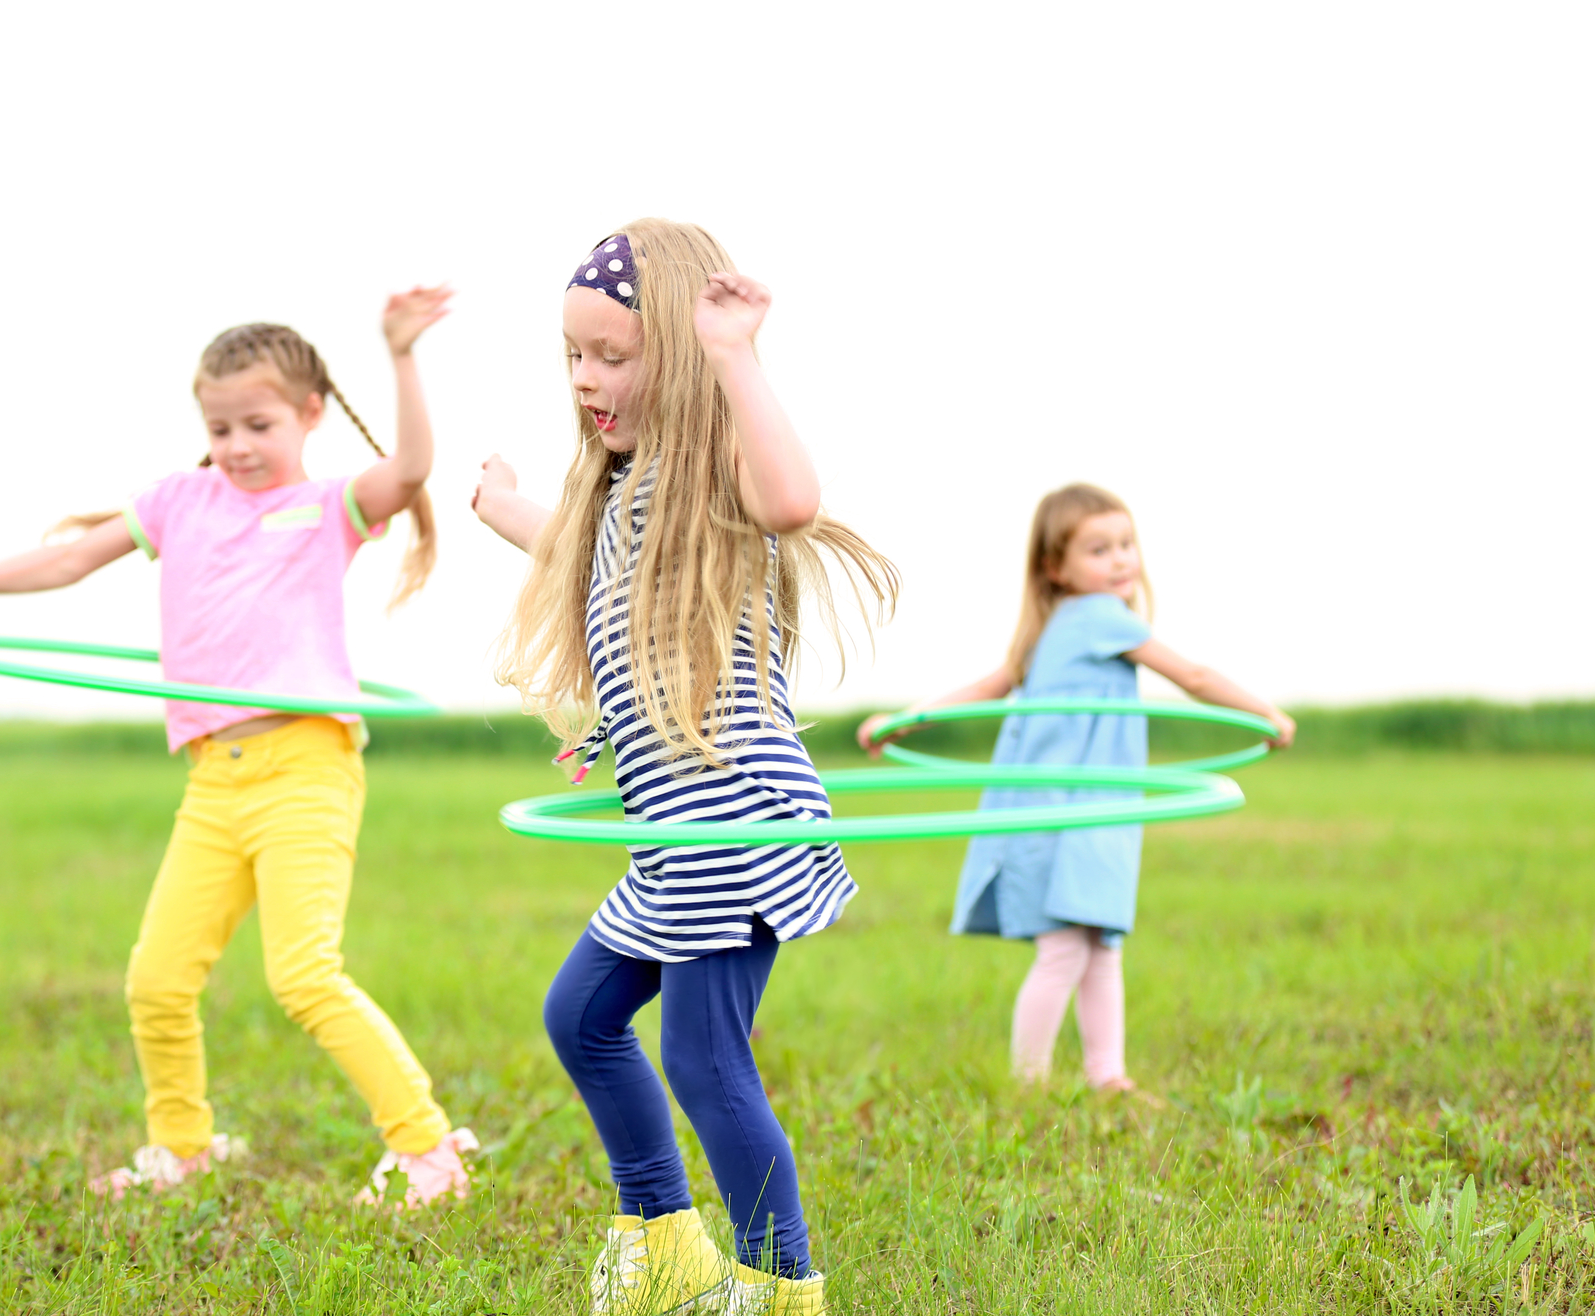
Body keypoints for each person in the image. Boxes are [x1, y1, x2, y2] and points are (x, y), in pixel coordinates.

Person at [0, 293, 477, 1207]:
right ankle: (183, 1145)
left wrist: (400, 354)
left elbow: (409, 469)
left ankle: (428, 1150)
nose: (239, 444)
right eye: (221, 426)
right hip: (214, 778)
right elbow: (69, 561)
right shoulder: (181, 501)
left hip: (305, 766)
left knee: (303, 975)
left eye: (259, 423)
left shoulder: (326, 508)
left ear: (308, 414)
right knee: (157, 977)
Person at [473, 220, 897, 1316]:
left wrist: (733, 355)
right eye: (574, 354)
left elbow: (793, 501)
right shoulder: (624, 493)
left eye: (612, 354)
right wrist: (498, 504)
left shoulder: (706, 478)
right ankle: (663, 1238)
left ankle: (780, 1284)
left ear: (675, 351)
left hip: (734, 824)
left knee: (707, 1064)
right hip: (672, 835)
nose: (585, 378)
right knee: (580, 1016)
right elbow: (576, 549)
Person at [858, 483, 1295, 1093]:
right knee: (1068, 948)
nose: (1119, 560)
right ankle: (1029, 1084)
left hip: (1065, 809)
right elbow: (1191, 675)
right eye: (1098, 549)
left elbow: (987, 687)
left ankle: (1107, 1077)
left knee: (1096, 945)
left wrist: (909, 718)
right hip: (1075, 811)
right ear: (1054, 567)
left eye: (1125, 544)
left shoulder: (1052, 628)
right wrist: (1266, 715)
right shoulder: (1100, 618)